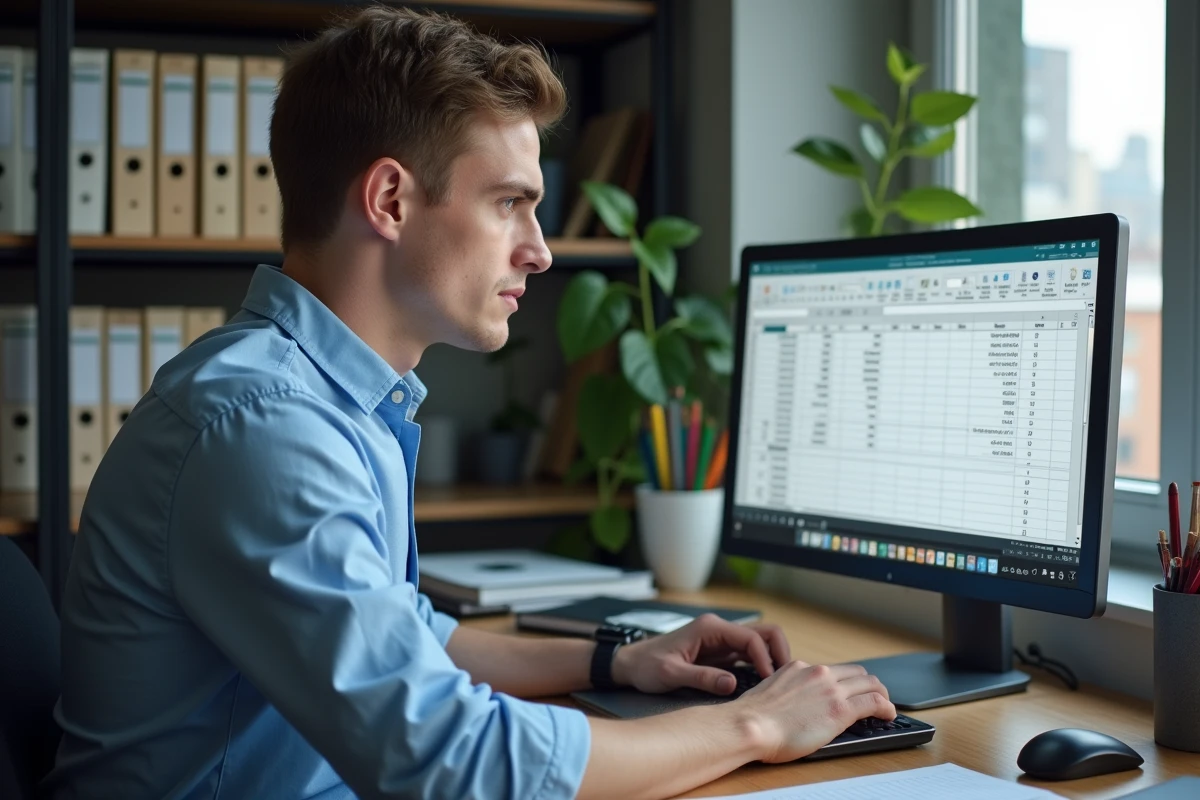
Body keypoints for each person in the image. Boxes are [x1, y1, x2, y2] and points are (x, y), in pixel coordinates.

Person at [44, 7, 895, 799]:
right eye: (510, 204)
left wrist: (617, 660)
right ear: (390, 200)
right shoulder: (264, 426)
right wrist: (756, 724)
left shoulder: (324, 400)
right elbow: (451, 759)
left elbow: (406, 637)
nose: (541, 251)